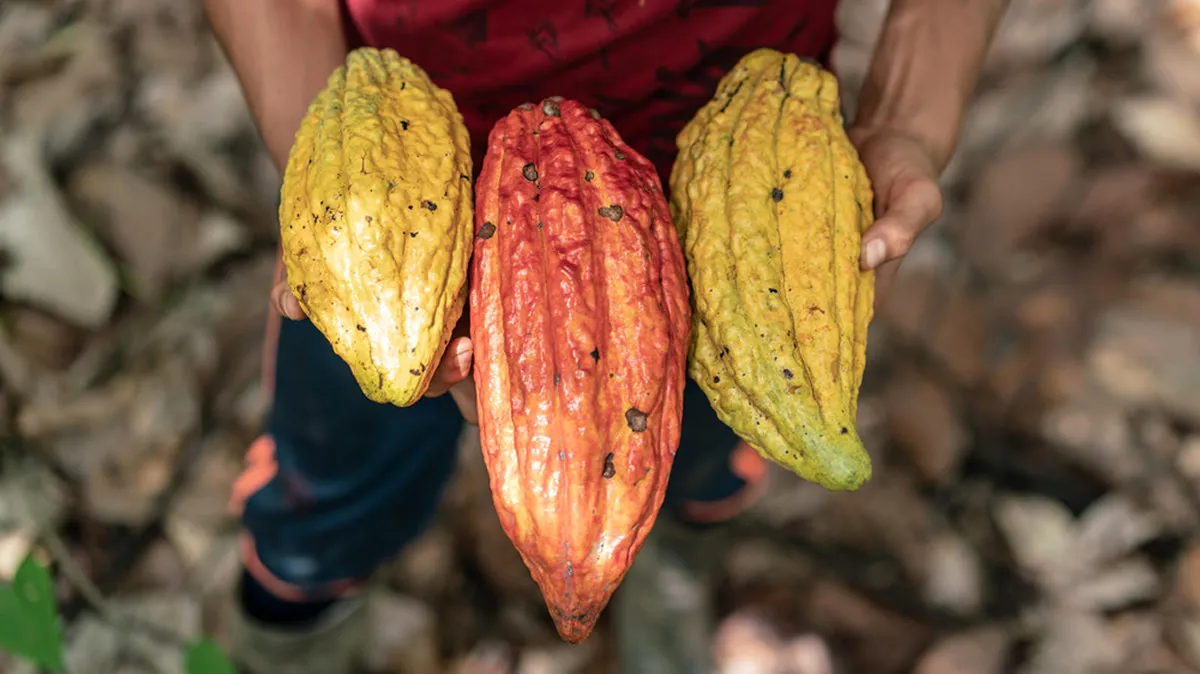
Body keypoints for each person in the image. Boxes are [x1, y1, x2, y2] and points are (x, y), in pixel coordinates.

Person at [202, 1, 1010, 672]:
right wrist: (333, 169)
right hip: (400, 201)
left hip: (734, 199)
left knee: (704, 452)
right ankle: (290, 635)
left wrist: (907, 116)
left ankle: (669, 582)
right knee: (337, 474)